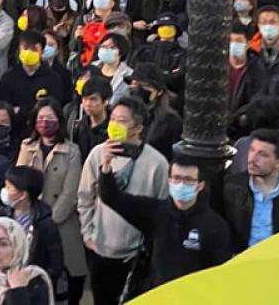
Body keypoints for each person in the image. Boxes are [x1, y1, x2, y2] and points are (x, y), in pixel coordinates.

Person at [77, 96, 169, 305]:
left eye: (123, 120)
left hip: (134, 254)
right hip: (100, 248)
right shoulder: (97, 154)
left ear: (138, 127)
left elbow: (161, 209)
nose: (115, 125)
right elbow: (84, 197)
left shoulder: (156, 163)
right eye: (113, 118)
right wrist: (88, 232)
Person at [97, 153, 232, 294]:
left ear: (200, 185)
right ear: (169, 181)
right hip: (156, 294)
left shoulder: (215, 226)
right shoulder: (155, 211)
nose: (181, 184)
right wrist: (106, 166)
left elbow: (220, 272)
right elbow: (111, 198)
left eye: (188, 180)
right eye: (177, 178)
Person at [16, 99, 86, 305]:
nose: (45, 123)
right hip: (29, 222)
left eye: (50, 118)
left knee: (69, 281)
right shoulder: (26, 147)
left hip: (61, 223)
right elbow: (18, 182)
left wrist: (48, 221)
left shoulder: (71, 151)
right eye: (41, 118)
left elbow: (70, 193)